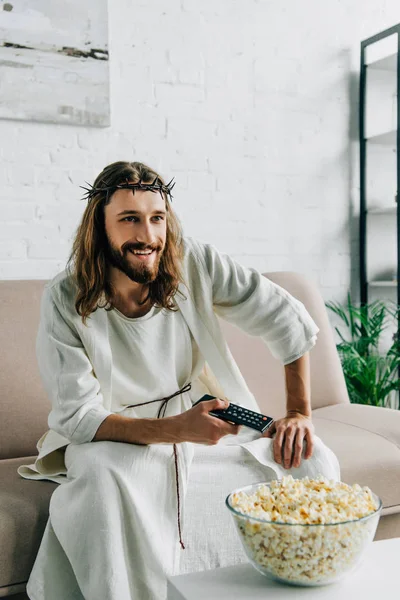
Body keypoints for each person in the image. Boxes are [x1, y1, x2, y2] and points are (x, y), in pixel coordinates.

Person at [20, 161, 340, 600]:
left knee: (311, 460)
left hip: (203, 416)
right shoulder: (64, 296)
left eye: (157, 218)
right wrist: (176, 430)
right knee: (99, 482)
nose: (148, 235)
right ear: (99, 225)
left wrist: (300, 413)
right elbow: (77, 417)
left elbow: (284, 316)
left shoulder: (195, 261)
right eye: (129, 219)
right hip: (112, 437)